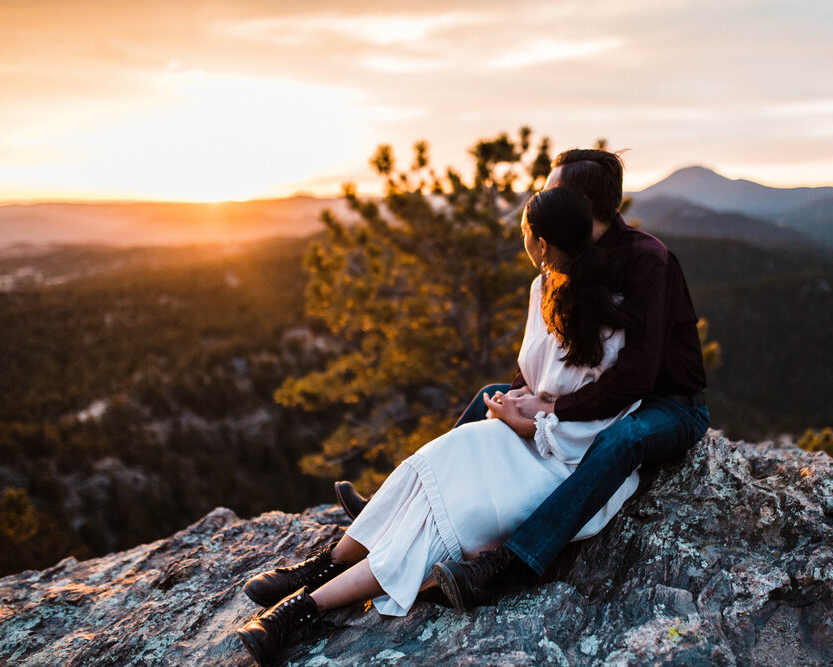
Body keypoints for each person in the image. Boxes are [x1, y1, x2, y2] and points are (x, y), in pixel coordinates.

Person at [237, 186, 645, 665]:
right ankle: (326, 564)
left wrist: (531, 421)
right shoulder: (543, 289)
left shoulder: (613, 310)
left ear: (541, 243)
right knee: (432, 461)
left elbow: (608, 412)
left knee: (447, 520)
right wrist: (519, 400)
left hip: (569, 461)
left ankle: (300, 610)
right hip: (527, 432)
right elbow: (542, 380)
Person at [338, 149, 710, 611]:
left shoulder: (647, 259)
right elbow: (559, 345)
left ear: (579, 201)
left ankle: (509, 563)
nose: (540, 199)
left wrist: (551, 410)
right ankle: (411, 505)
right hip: (608, 393)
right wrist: (522, 393)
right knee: (491, 396)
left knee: (623, 439)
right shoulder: (572, 252)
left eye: (551, 190)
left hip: (667, 404)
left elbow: (638, 375)